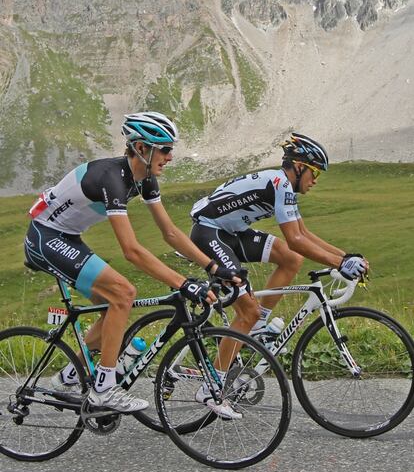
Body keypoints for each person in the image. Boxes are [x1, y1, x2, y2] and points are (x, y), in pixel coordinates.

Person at [24, 111, 240, 417]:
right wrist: (182, 282)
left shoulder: (145, 180)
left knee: (111, 308)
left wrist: (214, 267)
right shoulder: (112, 178)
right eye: (164, 149)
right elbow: (131, 251)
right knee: (123, 293)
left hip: (68, 237)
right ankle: (103, 389)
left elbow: (170, 232)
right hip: (45, 237)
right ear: (141, 148)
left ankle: (70, 374)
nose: (170, 156)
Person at [189, 132, 369, 386]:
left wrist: (346, 256)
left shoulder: (281, 185)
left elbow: (303, 234)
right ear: (298, 167)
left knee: (290, 258)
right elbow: (296, 238)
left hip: (229, 233)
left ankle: (259, 323)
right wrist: (339, 264)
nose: (315, 181)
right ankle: (214, 385)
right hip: (209, 233)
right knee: (246, 313)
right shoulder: (279, 183)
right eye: (314, 173)